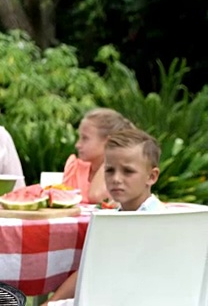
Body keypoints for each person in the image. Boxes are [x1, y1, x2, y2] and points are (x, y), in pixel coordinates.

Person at [43, 128, 165, 305]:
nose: (116, 179)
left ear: (152, 177)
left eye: (128, 171)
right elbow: (89, 269)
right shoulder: (110, 219)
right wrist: (52, 301)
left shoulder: (160, 221)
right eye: (109, 170)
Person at [62, 108, 135, 204]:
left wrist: (112, 152)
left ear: (108, 141)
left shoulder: (122, 173)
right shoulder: (74, 168)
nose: (77, 145)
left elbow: (97, 195)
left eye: (85, 138)